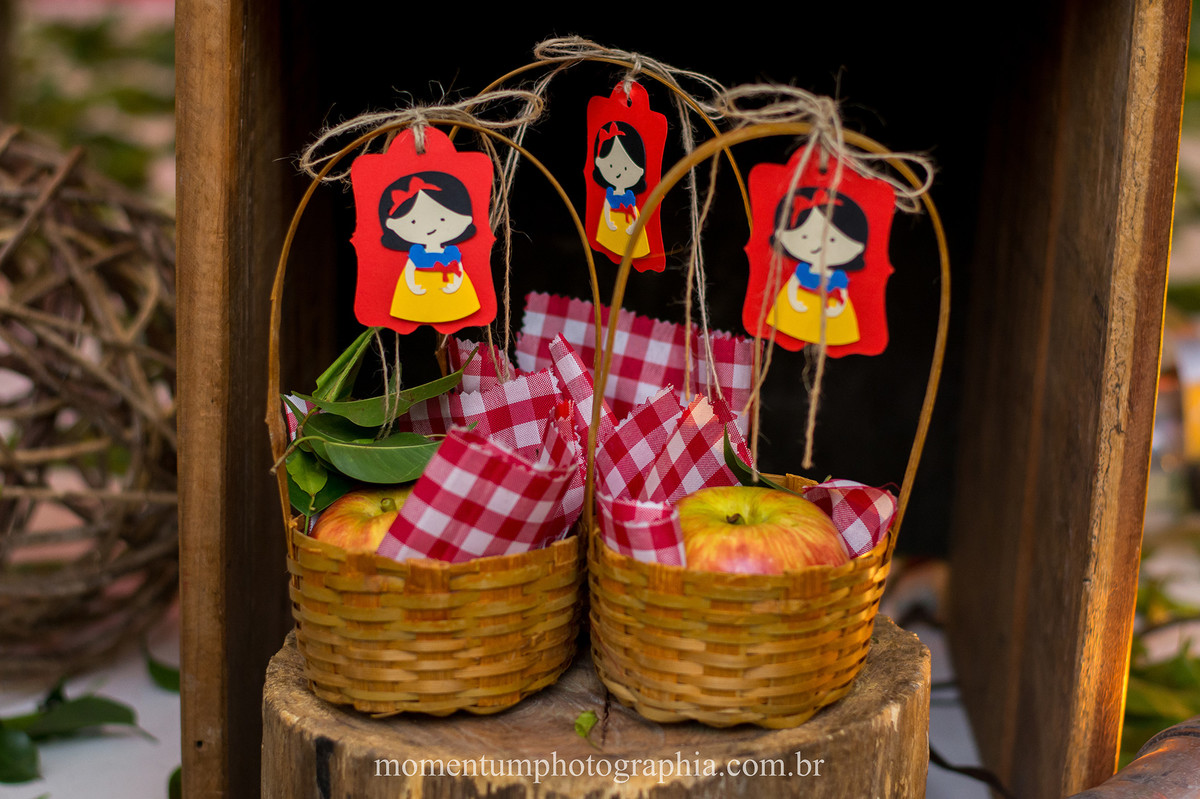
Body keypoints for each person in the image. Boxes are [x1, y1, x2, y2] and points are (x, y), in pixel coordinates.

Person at [766, 187, 869, 346]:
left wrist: (839, 309)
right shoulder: (803, 271)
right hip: (799, 306)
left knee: (834, 334)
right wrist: (793, 301)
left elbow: (842, 294)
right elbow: (793, 287)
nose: (818, 246)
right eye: (804, 236)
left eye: (833, 240)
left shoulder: (837, 277)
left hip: (830, 310)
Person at [379, 171, 481, 325]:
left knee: (455, 309)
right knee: (414, 311)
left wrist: (455, 285)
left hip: (448, 285)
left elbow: (457, 268)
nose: (429, 227)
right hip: (420, 285)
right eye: (413, 222)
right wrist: (412, 286)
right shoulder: (417, 252)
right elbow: (409, 270)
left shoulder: (451, 252)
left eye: (442, 219)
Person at [591, 120, 650, 260]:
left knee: (636, 248)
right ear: (599, 162)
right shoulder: (610, 194)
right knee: (606, 244)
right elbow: (606, 208)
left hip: (628, 223)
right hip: (609, 226)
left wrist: (633, 227)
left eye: (625, 168)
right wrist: (608, 221)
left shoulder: (629, 196)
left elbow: (634, 215)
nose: (618, 173)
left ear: (639, 170)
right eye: (610, 166)